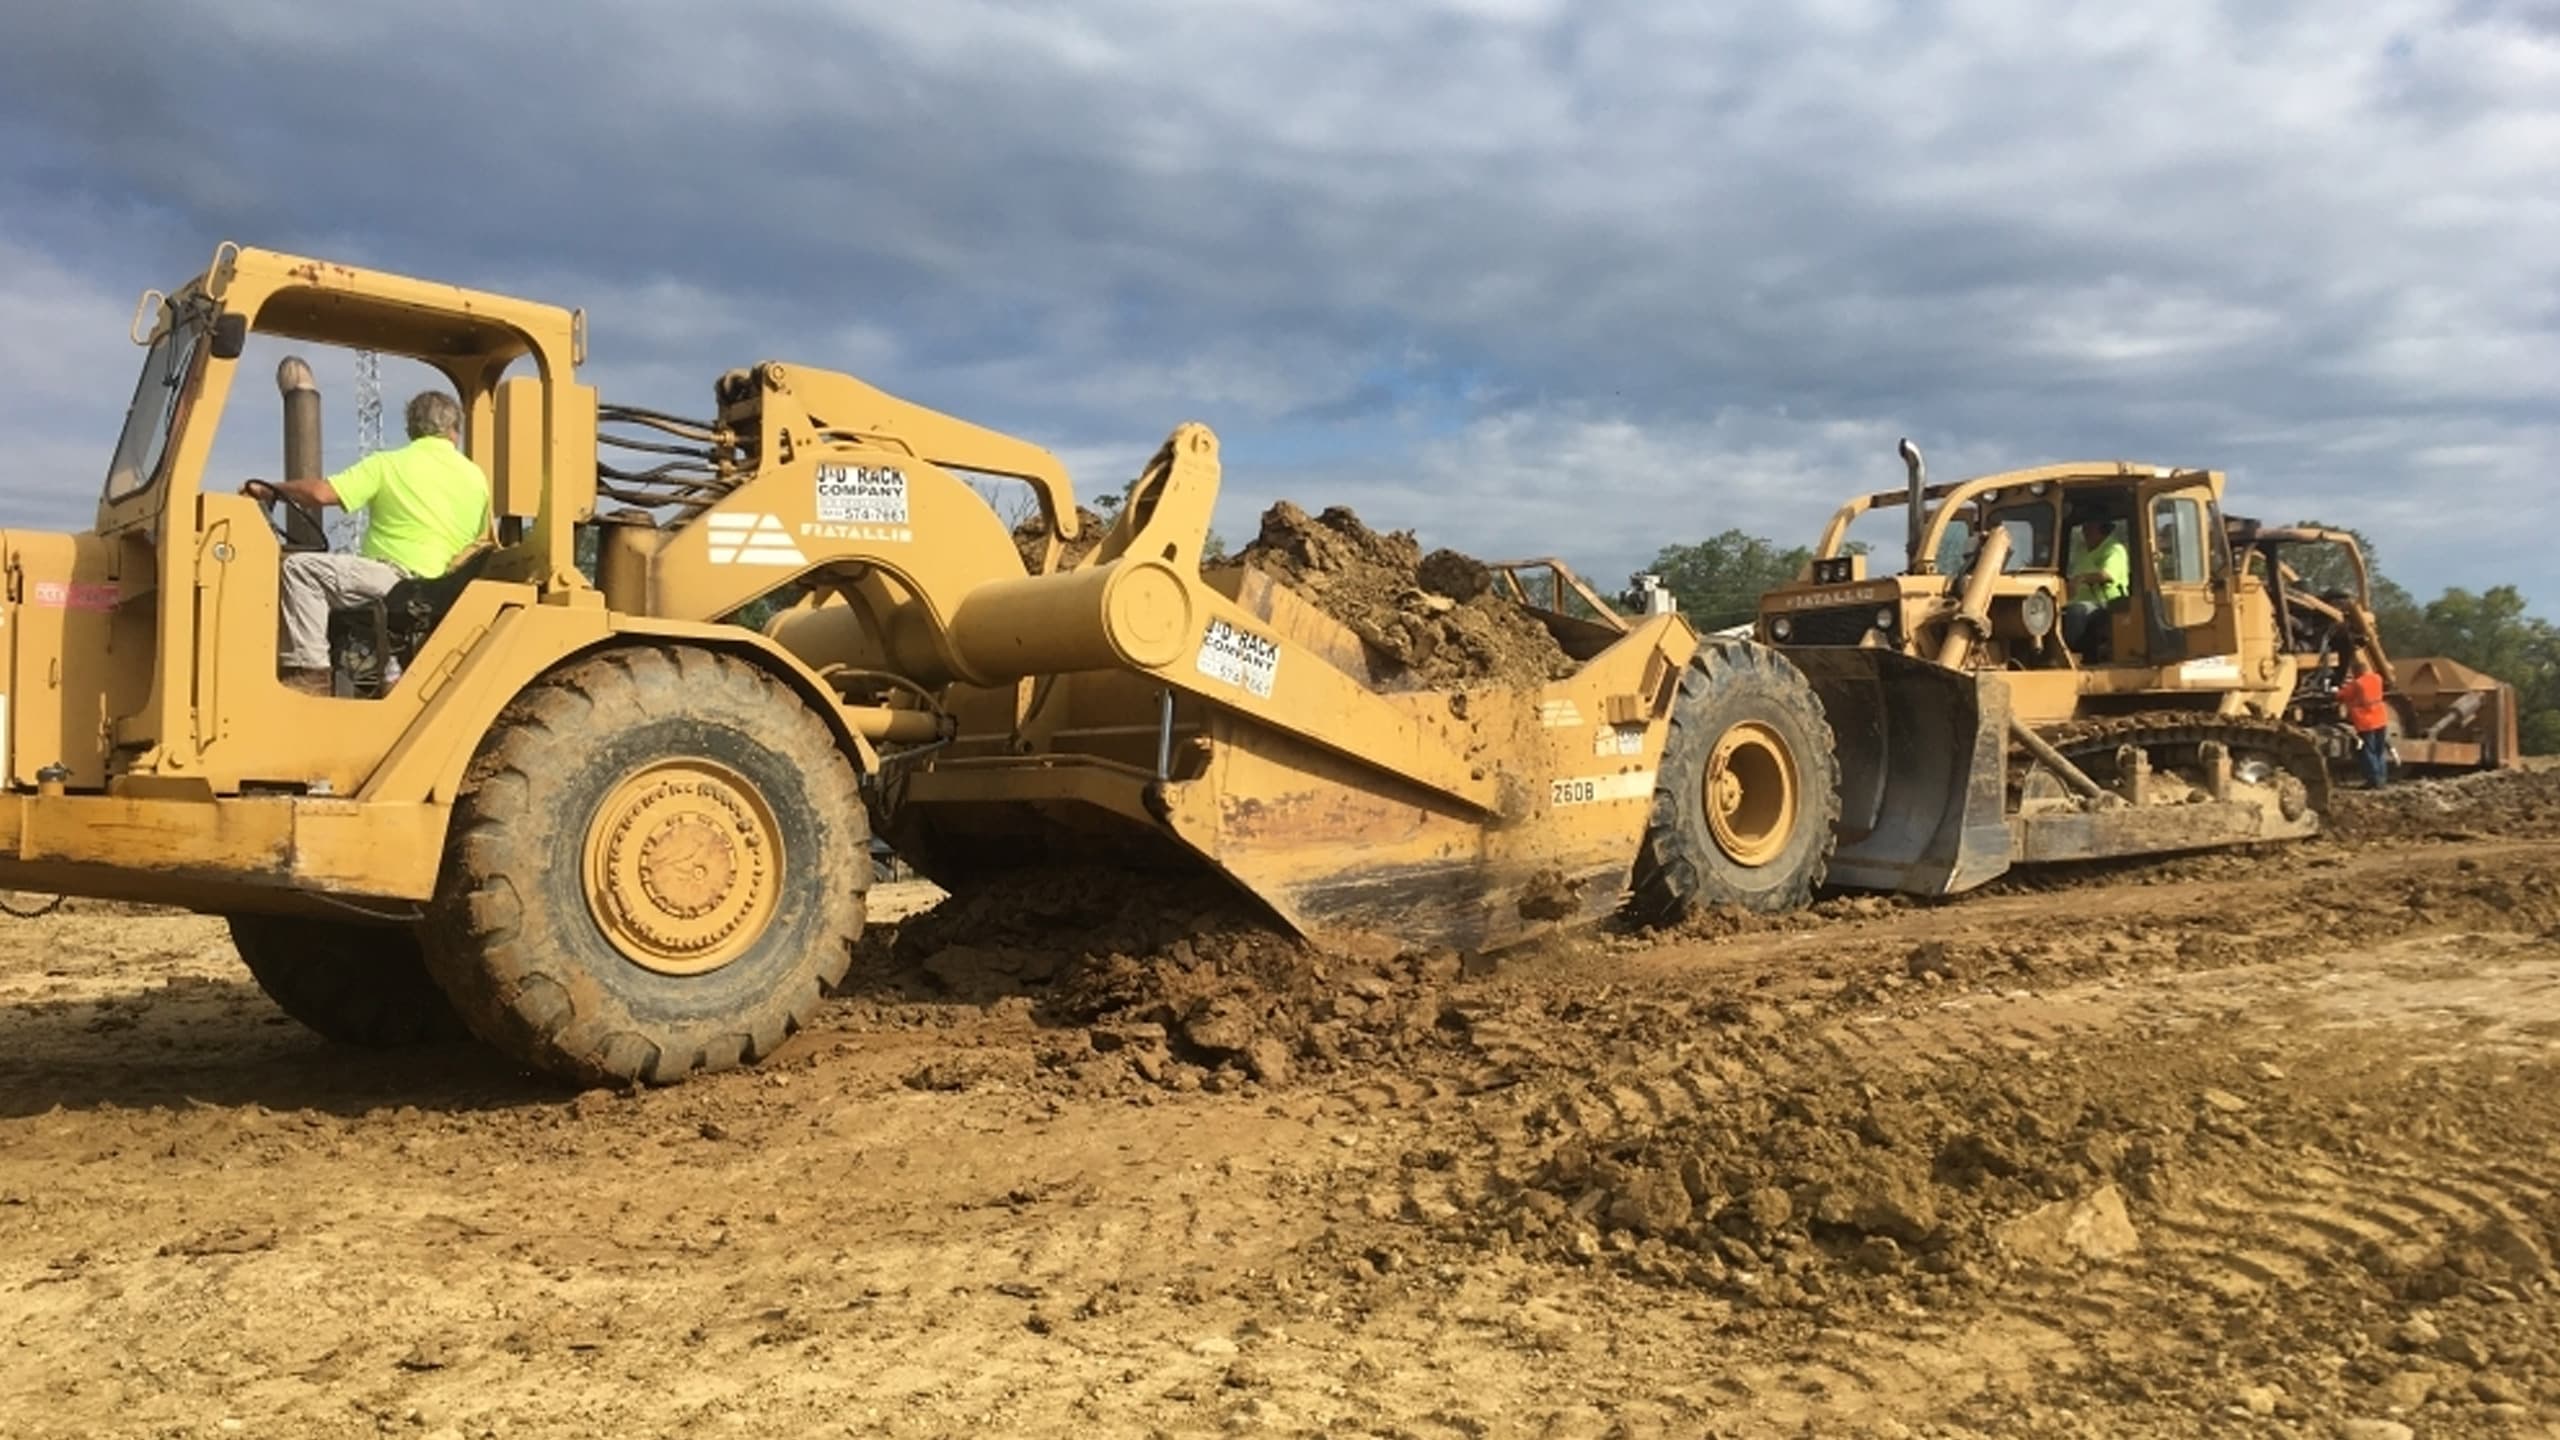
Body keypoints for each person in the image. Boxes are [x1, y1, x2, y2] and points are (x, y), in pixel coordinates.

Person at [245, 391, 492, 696]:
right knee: (376, 614)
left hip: (395, 579)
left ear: (410, 429)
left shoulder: (389, 464)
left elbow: (321, 494)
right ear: (455, 431)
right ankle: (390, 681)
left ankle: (311, 672)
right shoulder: (477, 478)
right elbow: (481, 538)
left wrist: (268, 490)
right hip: (443, 588)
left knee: (300, 569)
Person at [2061, 517, 2129, 656]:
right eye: (2084, 529)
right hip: (2078, 600)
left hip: (2108, 603)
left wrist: (2082, 578)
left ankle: (2075, 653)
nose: (2084, 532)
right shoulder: (2083, 551)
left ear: (2103, 530)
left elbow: (2107, 575)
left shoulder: (2114, 549)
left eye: (2089, 528)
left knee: (2077, 611)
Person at [2337, 652, 2392, 788]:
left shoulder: (2357, 684)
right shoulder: (2377, 678)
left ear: (2356, 672)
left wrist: (2336, 690)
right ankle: (2382, 779)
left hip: (2366, 722)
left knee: (2369, 751)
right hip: (2381, 719)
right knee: (2379, 751)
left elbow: (2342, 695)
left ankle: (2373, 780)